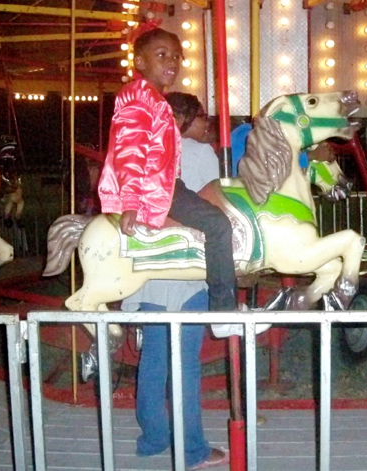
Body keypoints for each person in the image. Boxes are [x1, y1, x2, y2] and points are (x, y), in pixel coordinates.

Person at [97, 26, 237, 314]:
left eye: (176, 56)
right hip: (154, 189)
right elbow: (131, 151)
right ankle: (224, 310)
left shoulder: (154, 99)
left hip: (168, 186)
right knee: (218, 225)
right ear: (140, 62)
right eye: (162, 55)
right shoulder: (140, 98)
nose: (172, 62)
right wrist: (132, 203)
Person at [122, 92, 228, 470]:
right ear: (184, 119)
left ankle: (153, 439)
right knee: (186, 364)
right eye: (201, 118)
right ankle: (192, 450)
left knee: (153, 359)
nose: (207, 125)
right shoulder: (199, 155)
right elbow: (211, 202)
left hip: (149, 271)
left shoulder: (152, 151)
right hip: (185, 271)